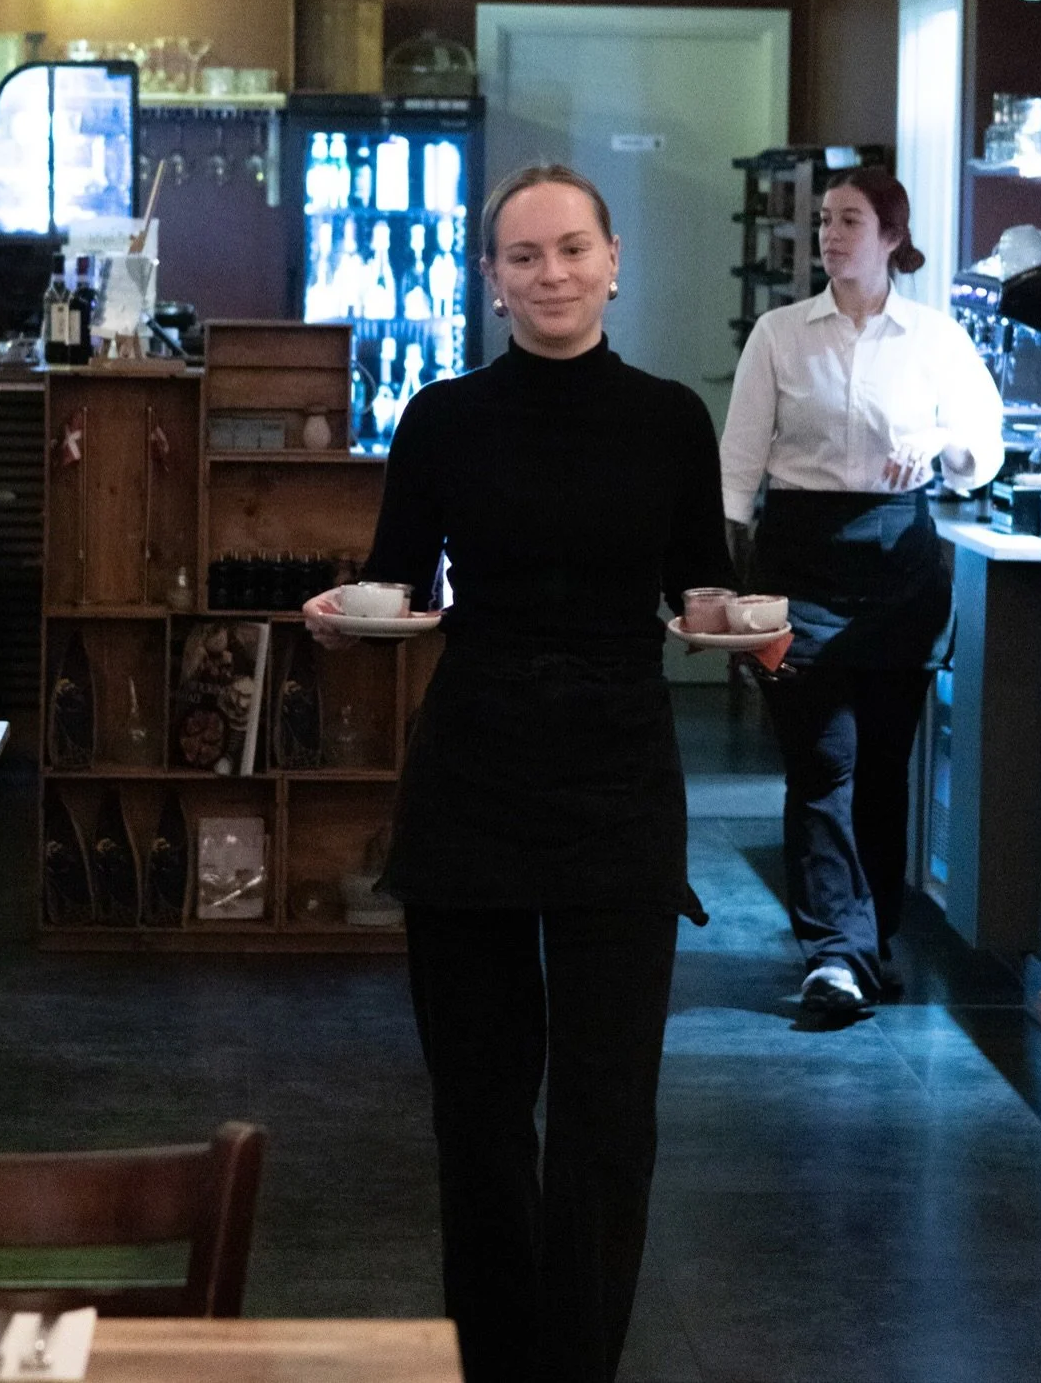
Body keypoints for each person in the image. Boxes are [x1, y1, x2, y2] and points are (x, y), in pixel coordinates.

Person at [305, 163, 734, 1383]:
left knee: (609, 1113)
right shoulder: (443, 417)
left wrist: (748, 628)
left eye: (572, 248)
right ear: (491, 278)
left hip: (618, 770)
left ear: (613, 261)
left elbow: (699, 586)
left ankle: (578, 1364)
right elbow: (399, 581)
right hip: (476, 766)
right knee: (480, 1111)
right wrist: (347, 616)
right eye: (525, 255)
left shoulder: (669, 418)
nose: (552, 273)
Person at [719, 167, 1003, 1021]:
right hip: (797, 564)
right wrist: (719, 576)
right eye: (824, 221)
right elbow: (737, 465)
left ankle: (870, 938)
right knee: (821, 764)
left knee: (881, 767)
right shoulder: (778, 334)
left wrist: (939, 443)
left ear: (891, 237)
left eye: (849, 220)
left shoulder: (935, 338)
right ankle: (834, 955)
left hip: (898, 568)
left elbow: (983, 451)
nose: (830, 235)